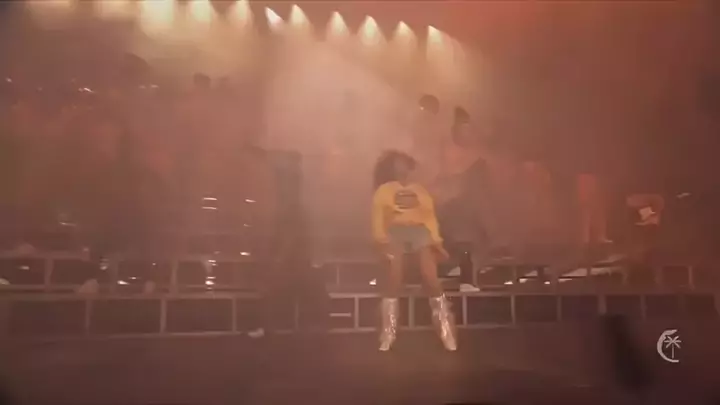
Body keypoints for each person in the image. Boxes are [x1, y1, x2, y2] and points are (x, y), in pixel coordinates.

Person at [371, 150, 456, 352]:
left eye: (403, 162)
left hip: (419, 232)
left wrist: (437, 242)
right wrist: (381, 241)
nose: (401, 166)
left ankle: (446, 331)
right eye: (397, 163)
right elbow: (378, 217)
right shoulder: (384, 190)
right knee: (394, 276)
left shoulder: (420, 191)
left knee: (430, 276)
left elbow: (429, 218)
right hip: (395, 232)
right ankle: (388, 332)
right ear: (391, 167)